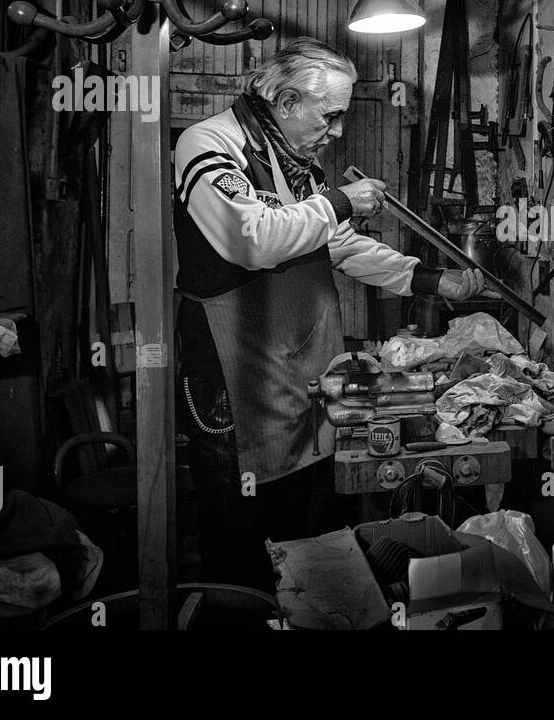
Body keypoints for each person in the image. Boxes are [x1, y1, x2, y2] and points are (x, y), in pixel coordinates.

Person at [172, 37, 489, 589]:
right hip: (234, 375)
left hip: (296, 371)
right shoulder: (210, 145)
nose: (338, 132)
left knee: (299, 519)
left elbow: (338, 246)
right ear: (288, 101)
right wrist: (341, 201)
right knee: (239, 523)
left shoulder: (298, 167)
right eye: (331, 116)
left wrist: (434, 280)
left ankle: (302, 610)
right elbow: (252, 238)